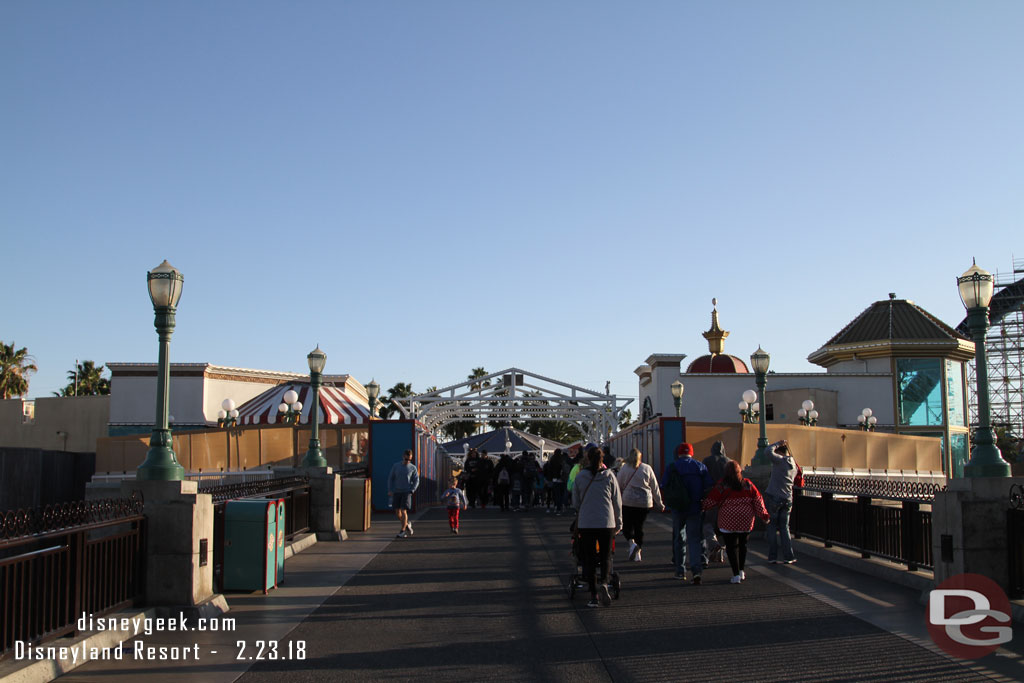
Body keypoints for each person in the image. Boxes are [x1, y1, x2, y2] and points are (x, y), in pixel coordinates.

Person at [702, 460, 769, 583]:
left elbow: (712, 500)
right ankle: (742, 570)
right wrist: (764, 515)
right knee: (743, 545)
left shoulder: (722, 485)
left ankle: (736, 574)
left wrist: (702, 506)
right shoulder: (747, 484)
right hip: (746, 519)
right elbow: (758, 500)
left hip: (727, 519)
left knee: (731, 547)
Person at [572, 447, 622, 607]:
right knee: (606, 556)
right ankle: (605, 583)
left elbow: (575, 502)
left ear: (587, 458)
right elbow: (617, 502)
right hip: (606, 522)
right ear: (603, 459)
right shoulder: (610, 476)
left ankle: (593, 595)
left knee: (589, 559)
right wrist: (619, 522)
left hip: (586, 523)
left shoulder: (580, 477)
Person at [661, 442, 714, 583]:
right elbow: (709, 485)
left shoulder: (672, 467)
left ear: (679, 453)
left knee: (679, 539)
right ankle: (696, 571)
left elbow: (664, 485)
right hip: (695, 508)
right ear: (691, 452)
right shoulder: (699, 466)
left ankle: (680, 570)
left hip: (678, 508)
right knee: (694, 540)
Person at [616, 448, 663, 562]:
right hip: (644, 502)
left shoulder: (624, 468)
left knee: (627, 527)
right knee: (639, 527)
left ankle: (632, 544)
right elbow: (654, 487)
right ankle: (638, 552)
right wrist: (659, 502)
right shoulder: (647, 468)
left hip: (628, 502)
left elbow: (618, 485)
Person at [764, 439, 798, 564]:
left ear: (779, 452)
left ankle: (773, 556)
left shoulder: (780, 461)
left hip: (774, 497)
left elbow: (767, 451)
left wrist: (778, 443)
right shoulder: (793, 464)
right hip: (788, 499)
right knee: (784, 528)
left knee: (772, 526)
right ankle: (788, 556)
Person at [702, 441, 730, 563]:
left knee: (708, 523)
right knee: (724, 525)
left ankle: (713, 544)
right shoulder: (729, 461)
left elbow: (702, 477)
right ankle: (721, 549)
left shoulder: (707, 461)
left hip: (711, 496)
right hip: (726, 498)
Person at [388, 449, 419, 538]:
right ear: (403, 457)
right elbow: (391, 478)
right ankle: (406, 524)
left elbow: (416, 480)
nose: (408, 461)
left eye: (409, 460)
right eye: (406, 459)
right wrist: (390, 489)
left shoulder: (413, 468)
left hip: (406, 492)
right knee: (397, 512)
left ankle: (402, 531)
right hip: (397, 491)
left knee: (403, 510)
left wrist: (412, 489)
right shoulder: (396, 466)